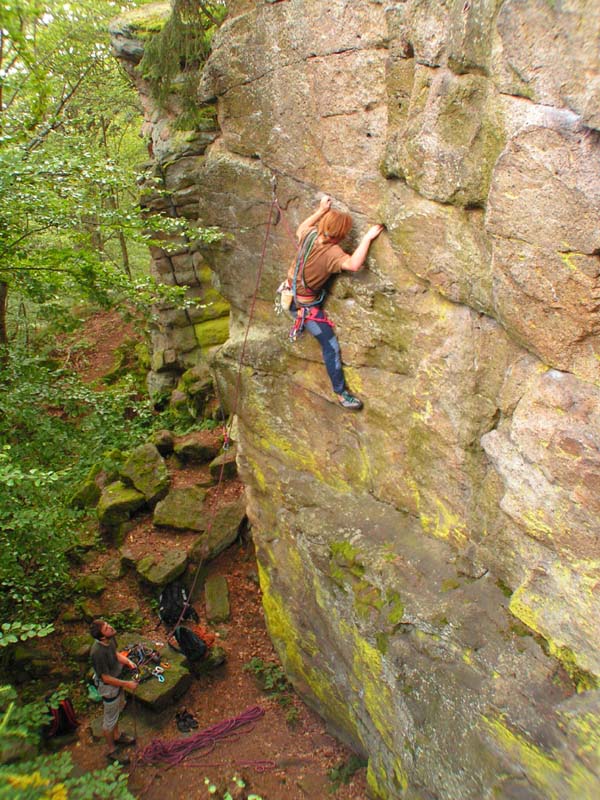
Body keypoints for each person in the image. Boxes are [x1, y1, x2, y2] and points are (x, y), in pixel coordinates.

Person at [284, 195, 383, 410]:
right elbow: (355, 264)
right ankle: (341, 393)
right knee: (330, 346)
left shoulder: (308, 235)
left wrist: (321, 210)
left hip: (288, 293)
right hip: (304, 307)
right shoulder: (333, 253)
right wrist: (367, 238)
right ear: (340, 236)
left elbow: (304, 225)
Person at [89, 619, 139, 765]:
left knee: (118, 708)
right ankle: (112, 750)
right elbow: (105, 678)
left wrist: (128, 662)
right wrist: (127, 684)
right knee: (109, 719)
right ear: (102, 637)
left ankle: (117, 736)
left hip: (116, 679)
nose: (110, 627)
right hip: (109, 687)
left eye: (108, 625)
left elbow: (115, 654)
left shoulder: (110, 640)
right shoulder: (97, 653)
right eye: (106, 628)